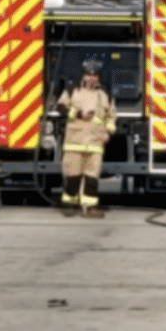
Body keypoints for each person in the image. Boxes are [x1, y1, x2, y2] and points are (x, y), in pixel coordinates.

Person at [55, 59, 116, 219]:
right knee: (72, 176)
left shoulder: (105, 95)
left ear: (98, 77)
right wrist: (78, 114)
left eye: (95, 75)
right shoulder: (72, 91)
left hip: (95, 144)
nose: (91, 78)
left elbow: (112, 116)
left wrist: (108, 132)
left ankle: (89, 208)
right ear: (83, 76)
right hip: (75, 142)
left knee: (92, 178)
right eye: (89, 75)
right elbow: (60, 108)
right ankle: (68, 204)